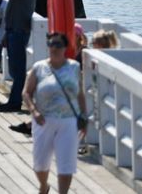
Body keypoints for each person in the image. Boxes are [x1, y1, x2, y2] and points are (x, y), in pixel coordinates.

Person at [25, 32, 87, 194]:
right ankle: (44, 186)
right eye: (51, 44)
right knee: (40, 164)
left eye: (58, 45)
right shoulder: (39, 68)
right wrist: (33, 111)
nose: (54, 48)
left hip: (69, 122)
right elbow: (26, 93)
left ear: (65, 48)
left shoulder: (74, 67)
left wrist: (84, 117)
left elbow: (80, 93)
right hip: (44, 120)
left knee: (66, 164)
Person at [0, 0, 37, 113]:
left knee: (18, 69)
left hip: (19, 32)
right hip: (12, 31)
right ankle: (14, 100)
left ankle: (15, 102)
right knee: (14, 68)